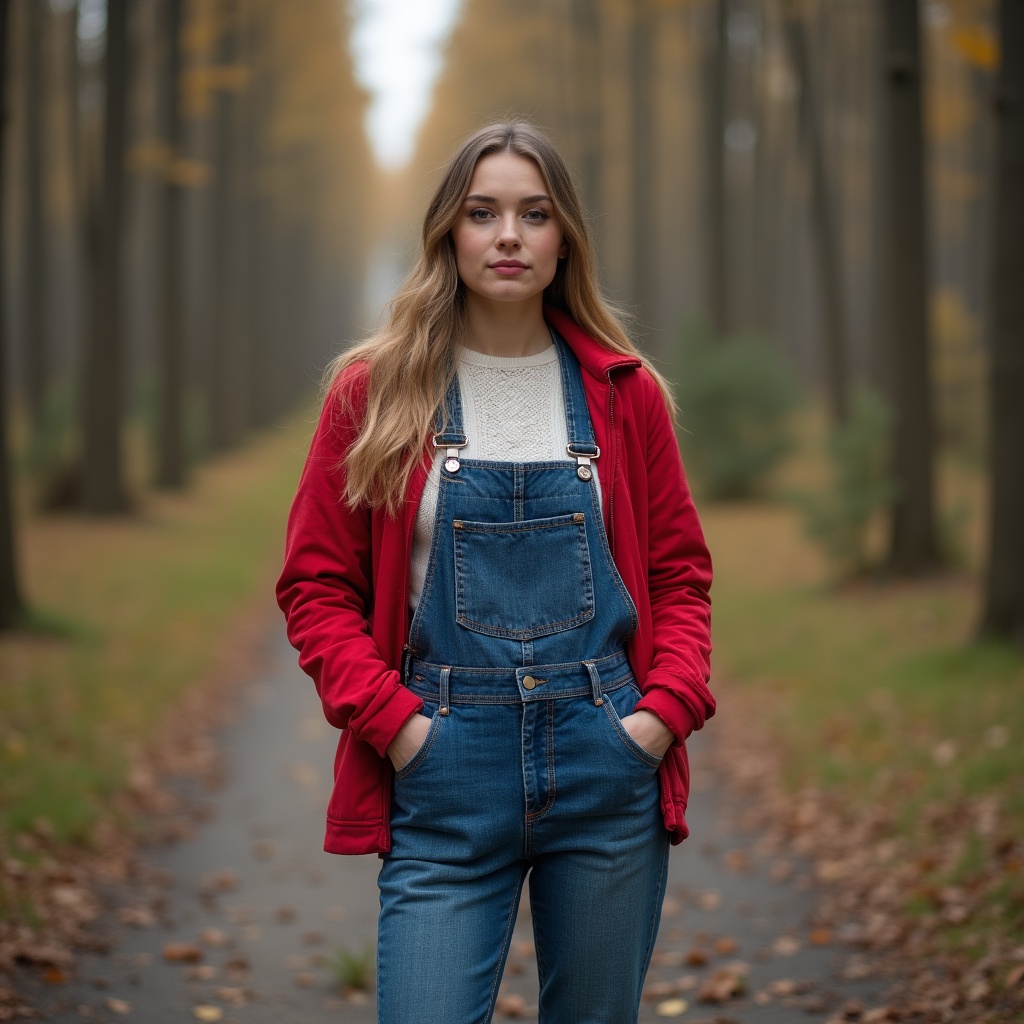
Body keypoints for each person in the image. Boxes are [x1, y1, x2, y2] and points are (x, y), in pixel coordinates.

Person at [276, 119, 714, 1024]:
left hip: (606, 765)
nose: (508, 235)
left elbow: (678, 577)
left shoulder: (628, 394)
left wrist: (663, 714)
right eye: (483, 213)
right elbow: (316, 588)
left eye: (534, 213)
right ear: (450, 233)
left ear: (565, 241)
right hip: (441, 768)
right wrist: (396, 726)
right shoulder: (372, 392)